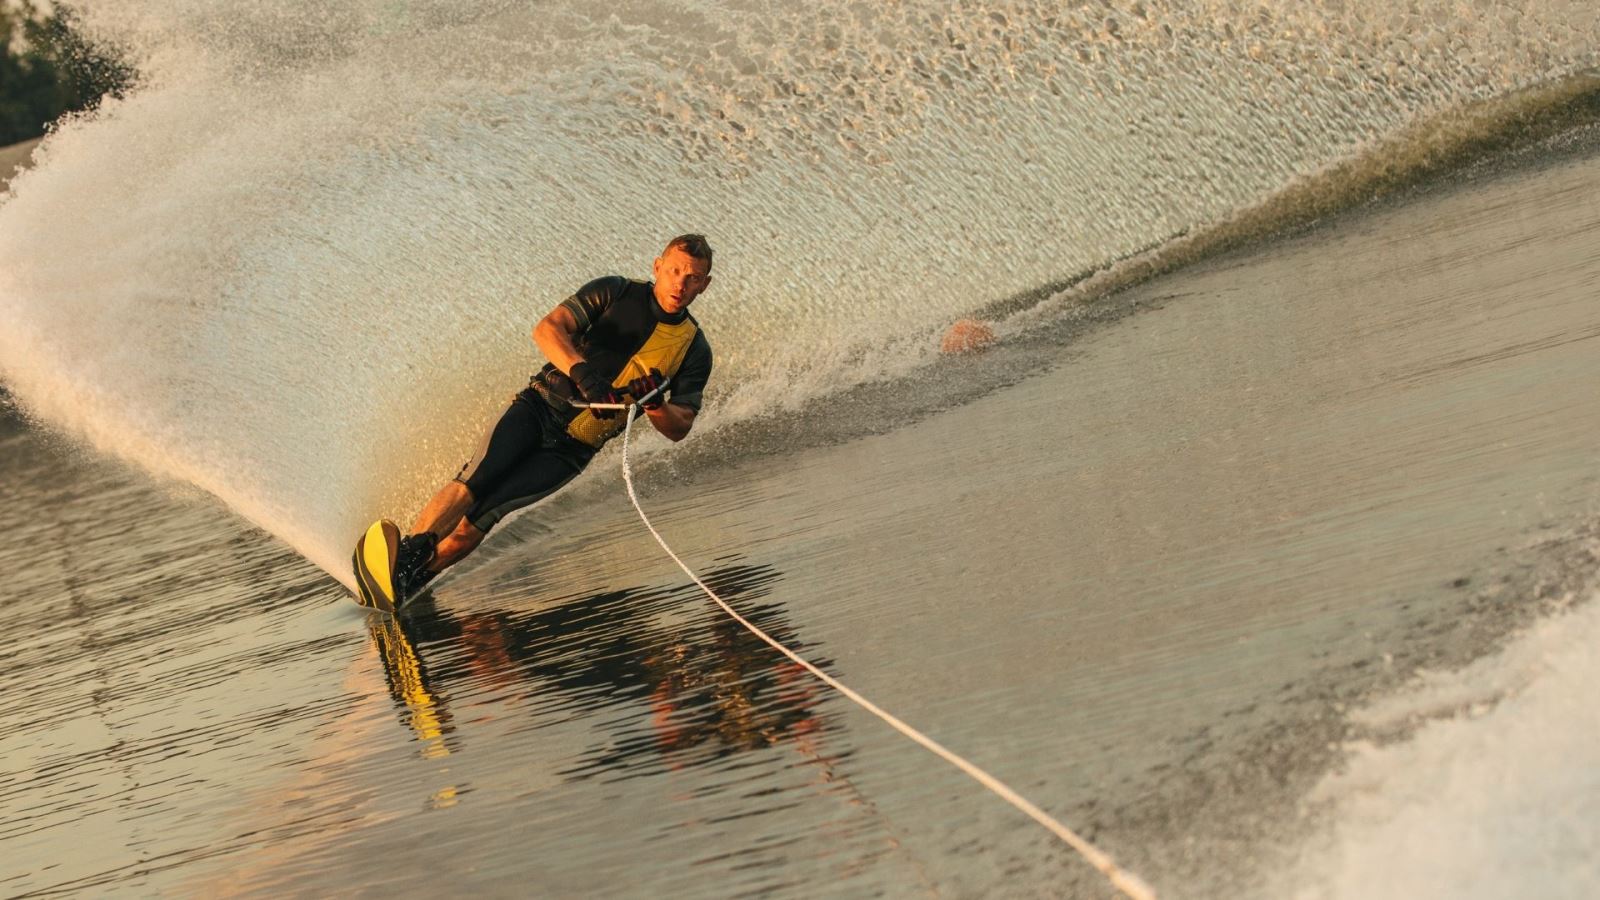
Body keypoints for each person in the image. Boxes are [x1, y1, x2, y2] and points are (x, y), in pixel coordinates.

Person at [389, 233, 716, 600]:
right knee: (476, 481)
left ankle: (410, 584)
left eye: (692, 278)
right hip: (538, 406)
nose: (680, 284)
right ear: (657, 267)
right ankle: (405, 557)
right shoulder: (615, 291)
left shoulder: (694, 348)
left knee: (484, 516)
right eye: (674, 271)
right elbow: (547, 329)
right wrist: (583, 375)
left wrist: (656, 405)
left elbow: (680, 426)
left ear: (704, 285)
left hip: (571, 450)